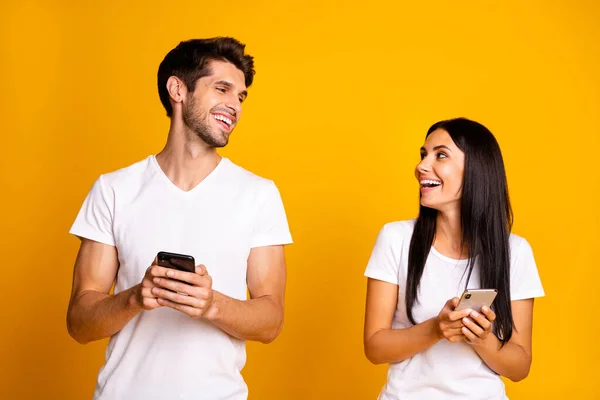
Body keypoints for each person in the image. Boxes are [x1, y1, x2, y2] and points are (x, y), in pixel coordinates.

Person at [66, 37, 292, 400]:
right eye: (222, 89)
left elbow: (271, 320)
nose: (234, 105)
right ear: (177, 89)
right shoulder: (113, 190)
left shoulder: (259, 195)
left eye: (241, 96)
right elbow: (79, 322)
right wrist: (137, 298)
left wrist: (211, 304)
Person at [363, 118, 544, 399]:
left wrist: (482, 339)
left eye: (441, 155)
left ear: (476, 170)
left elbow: (520, 366)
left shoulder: (515, 252)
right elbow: (374, 347)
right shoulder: (396, 238)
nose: (421, 167)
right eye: (423, 155)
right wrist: (437, 328)